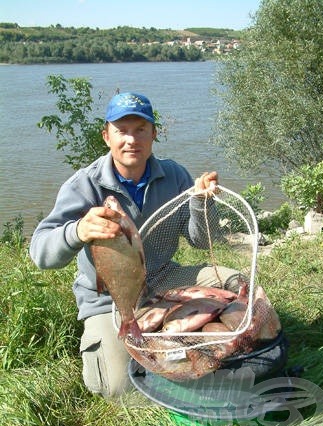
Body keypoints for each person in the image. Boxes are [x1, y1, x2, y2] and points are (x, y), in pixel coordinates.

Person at [30, 92, 242, 399]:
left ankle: (216, 342)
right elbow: (40, 253)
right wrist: (77, 230)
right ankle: (151, 342)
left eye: (140, 129)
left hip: (162, 276)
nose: (131, 139)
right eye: (121, 130)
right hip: (109, 297)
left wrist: (200, 203)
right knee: (118, 389)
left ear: (154, 134)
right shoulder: (83, 185)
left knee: (235, 282)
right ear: (106, 136)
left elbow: (201, 241)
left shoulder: (175, 175)